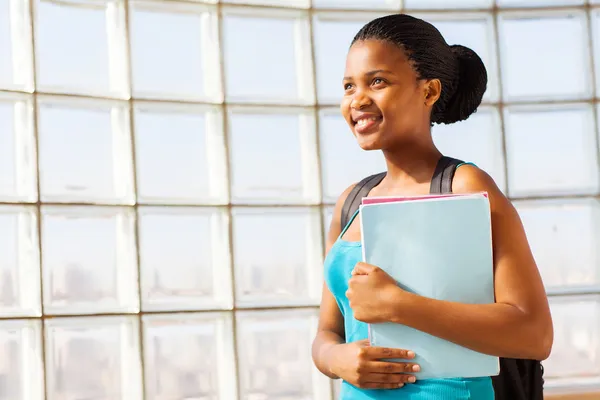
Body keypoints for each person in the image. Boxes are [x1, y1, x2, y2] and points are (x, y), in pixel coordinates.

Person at [311, 13, 553, 399]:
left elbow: (534, 333)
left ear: (429, 92)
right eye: (348, 86)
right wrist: (334, 358)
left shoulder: (465, 186)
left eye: (377, 81)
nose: (357, 99)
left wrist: (397, 304)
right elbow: (328, 331)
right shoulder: (351, 202)